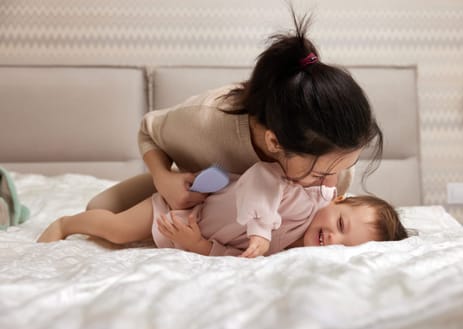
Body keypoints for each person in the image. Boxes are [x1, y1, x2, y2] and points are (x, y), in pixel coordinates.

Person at [85, 9, 383, 217]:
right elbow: (148, 130)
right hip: (199, 187)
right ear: (274, 142)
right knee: (96, 211)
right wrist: (164, 179)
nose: (332, 183)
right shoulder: (204, 121)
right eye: (319, 174)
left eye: (341, 169)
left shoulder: (334, 158)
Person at [38, 161, 408, 257]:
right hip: (184, 204)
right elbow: (262, 177)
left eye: (344, 247)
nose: (333, 239)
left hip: (193, 230)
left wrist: (198, 245)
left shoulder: (294, 250)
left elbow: (229, 254)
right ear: (337, 200)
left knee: (127, 237)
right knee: (117, 232)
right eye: (341, 224)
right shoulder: (308, 195)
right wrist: (261, 231)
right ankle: (67, 222)